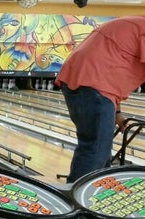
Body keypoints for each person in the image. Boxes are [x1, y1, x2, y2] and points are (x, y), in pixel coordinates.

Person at [55, 15, 145, 183]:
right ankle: (77, 201)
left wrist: (117, 113)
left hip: (81, 81)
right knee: (96, 151)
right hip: (94, 85)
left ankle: (92, 198)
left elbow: (113, 65)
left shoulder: (133, 24)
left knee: (101, 153)